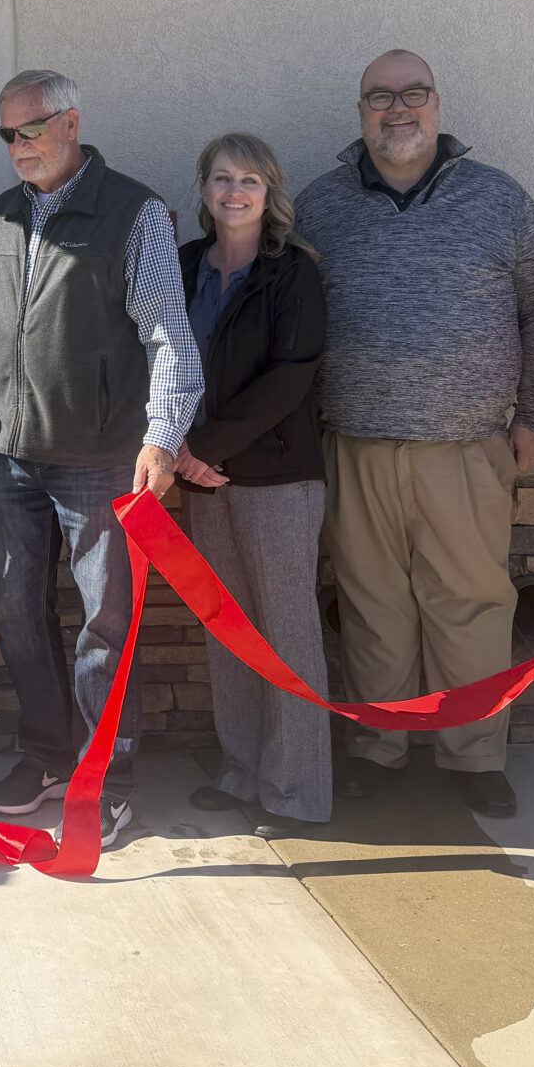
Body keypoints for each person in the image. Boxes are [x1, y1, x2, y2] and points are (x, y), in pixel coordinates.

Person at [294, 51, 534, 820]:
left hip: (470, 445)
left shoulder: (498, 200)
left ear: (438, 105)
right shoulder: (321, 205)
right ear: (361, 112)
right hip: (353, 442)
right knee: (371, 602)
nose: (397, 109)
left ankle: (472, 755)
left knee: (473, 604)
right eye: (380, 97)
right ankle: (378, 748)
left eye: (413, 94)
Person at [0, 71, 204, 849]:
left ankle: (107, 775)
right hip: (13, 461)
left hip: (100, 458)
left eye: (30, 130)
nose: (17, 148)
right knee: (17, 613)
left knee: (104, 625)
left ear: (71, 121)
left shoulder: (131, 212)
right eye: (7, 135)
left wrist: (161, 437)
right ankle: (43, 755)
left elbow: (168, 332)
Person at [174, 133, 333, 830]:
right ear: (203, 190)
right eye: (220, 179)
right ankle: (242, 772)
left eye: (249, 180)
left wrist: (208, 446)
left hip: (274, 477)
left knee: (286, 635)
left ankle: (296, 791)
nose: (233, 192)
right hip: (199, 476)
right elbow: (160, 358)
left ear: (271, 192)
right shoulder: (182, 268)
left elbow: (292, 375)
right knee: (228, 631)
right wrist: (177, 447)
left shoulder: (293, 272)